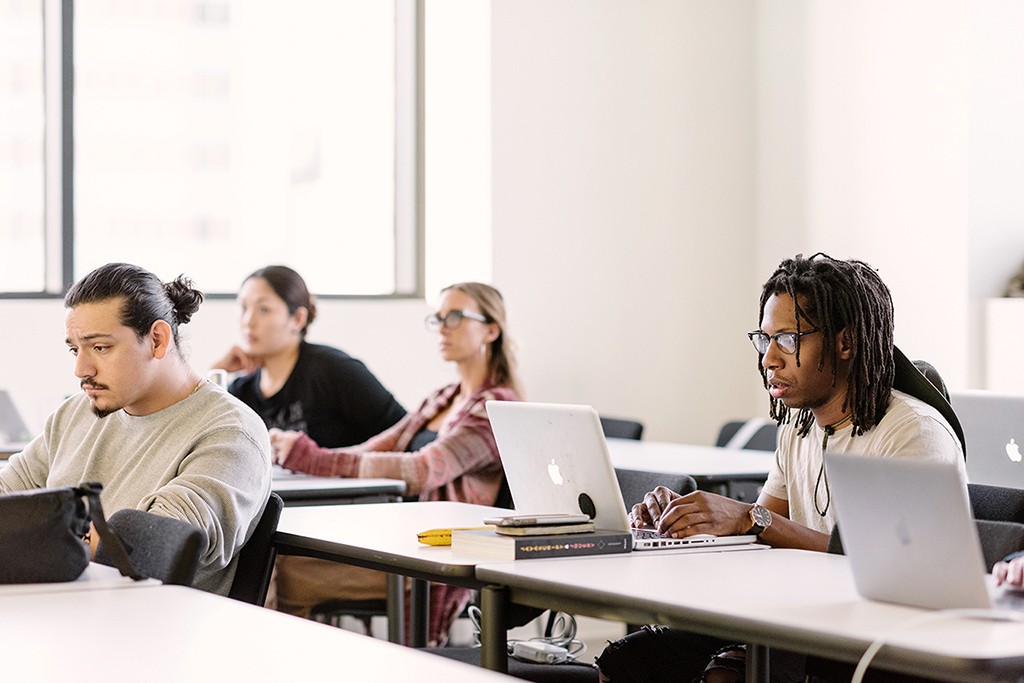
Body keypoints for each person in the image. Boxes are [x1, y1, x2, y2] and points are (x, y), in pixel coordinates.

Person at [595, 253, 966, 683]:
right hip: (799, 619)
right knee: (628, 661)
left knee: (726, 675)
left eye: (788, 339)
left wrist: (749, 519)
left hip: (877, 642)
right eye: (764, 339)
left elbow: (891, 574)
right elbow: (761, 535)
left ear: (845, 343)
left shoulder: (913, 432)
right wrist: (690, 520)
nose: (769, 358)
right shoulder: (799, 423)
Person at [269, 281, 522, 645]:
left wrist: (312, 457)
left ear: (492, 330)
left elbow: (422, 471)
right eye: (437, 318)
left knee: (276, 569)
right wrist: (301, 455)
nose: (442, 328)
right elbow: (373, 449)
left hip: (430, 559)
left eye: (454, 316)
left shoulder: (496, 409)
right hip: (398, 539)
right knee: (272, 555)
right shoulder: (442, 398)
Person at [0, 263, 272, 595]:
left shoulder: (231, 433)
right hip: (56, 616)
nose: (80, 369)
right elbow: (8, 492)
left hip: (149, 631)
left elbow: (146, 550)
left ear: (157, 340)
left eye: (100, 347)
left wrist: (26, 528)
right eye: (75, 349)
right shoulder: (74, 414)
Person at [211, 265, 406, 446]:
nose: (248, 321)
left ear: (297, 318)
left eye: (263, 309)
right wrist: (214, 374)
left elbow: (407, 433)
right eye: (243, 307)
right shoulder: (241, 391)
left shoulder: (334, 370)